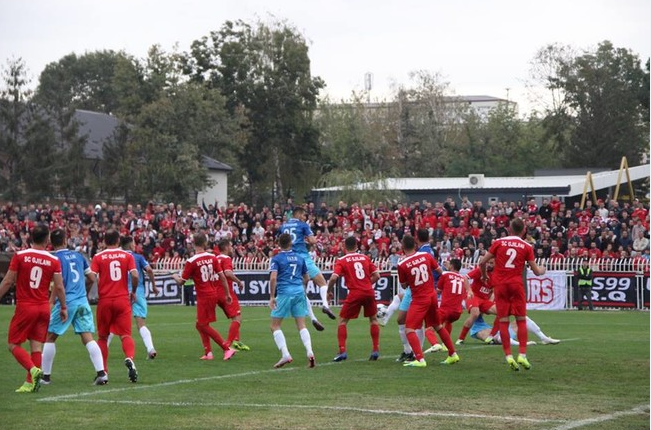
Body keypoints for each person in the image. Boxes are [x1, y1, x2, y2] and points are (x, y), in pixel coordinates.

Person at [0, 224, 67, 393]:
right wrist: (63, 306)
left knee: (13, 344)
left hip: (26, 307)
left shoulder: (20, 256)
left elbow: (8, 281)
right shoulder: (53, 260)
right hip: (43, 308)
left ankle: (33, 369)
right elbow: (59, 286)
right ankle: (31, 383)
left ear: (30, 237)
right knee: (36, 347)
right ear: (47, 240)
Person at [478, 218, 546, 371]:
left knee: (503, 320)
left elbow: (482, 262)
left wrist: (484, 276)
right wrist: (543, 269)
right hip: (516, 285)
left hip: (500, 285)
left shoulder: (499, 243)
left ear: (509, 229)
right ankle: (522, 354)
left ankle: (508, 356)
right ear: (523, 231)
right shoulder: (526, 246)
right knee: (521, 320)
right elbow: (536, 271)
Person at [41, 229, 107, 386]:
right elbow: (92, 278)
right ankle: (101, 374)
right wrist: (84, 290)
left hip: (67, 302)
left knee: (50, 337)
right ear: (65, 241)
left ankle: (45, 377)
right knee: (88, 337)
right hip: (82, 301)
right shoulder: (79, 256)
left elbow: (58, 285)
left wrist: (51, 302)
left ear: (52, 242)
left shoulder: (54, 258)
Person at [397, 235, 459, 368]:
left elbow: (403, 285)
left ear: (402, 247)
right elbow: (439, 271)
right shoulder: (426, 256)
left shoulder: (402, 264)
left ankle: (420, 359)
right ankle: (453, 354)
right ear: (415, 245)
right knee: (437, 326)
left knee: (409, 329)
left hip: (420, 298)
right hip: (432, 295)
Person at [172, 233, 237, 361]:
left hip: (204, 296)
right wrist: (227, 293)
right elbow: (222, 276)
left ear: (193, 244)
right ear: (205, 243)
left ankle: (226, 348)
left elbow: (181, 282)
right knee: (200, 324)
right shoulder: (213, 257)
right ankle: (208, 353)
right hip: (213, 293)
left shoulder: (191, 261)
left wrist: (174, 276)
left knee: (202, 325)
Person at [390, 229, 443, 361]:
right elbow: (438, 270)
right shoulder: (428, 251)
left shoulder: (422, 253)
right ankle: (409, 351)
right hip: (417, 290)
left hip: (418, 291)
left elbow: (432, 271)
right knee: (401, 319)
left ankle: (416, 353)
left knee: (415, 324)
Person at [327, 236, 381, 362]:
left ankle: (342, 351)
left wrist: (329, 290)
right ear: (357, 246)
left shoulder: (342, 260)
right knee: (373, 319)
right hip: (368, 291)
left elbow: (334, 278)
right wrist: (367, 284)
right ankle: (375, 349)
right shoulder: (365, 258)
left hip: (355, 293)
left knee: (342, 321)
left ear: (345, 247)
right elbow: (377, 275)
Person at [279, 206, 332, 331]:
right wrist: (315, 243)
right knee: (322, 283)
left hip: (289, 258)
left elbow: (280, 241)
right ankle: (325, 305)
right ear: (298, 214)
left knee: (301, 290)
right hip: (302, 257)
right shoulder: (303, 225)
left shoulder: (283, 226)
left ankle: (313, 318)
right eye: (304, 215)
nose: (305, 218)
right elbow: (313, 240)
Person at [269, 233, 316, 369]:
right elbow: (307, 278)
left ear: (279, 244)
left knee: (275, 326)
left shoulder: (277, 259)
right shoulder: (300, 258)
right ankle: (310, 352)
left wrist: (272, 296)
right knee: (302, 325)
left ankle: (285, 354)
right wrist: (302, 288)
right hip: (299, 292)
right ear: (291, 243)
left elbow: (273, 278)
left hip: (284, 293)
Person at [114, 236, 160, 359]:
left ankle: (102, 350)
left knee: (113, 323)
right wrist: (154, 286)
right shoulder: (138, 257)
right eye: (134, 243)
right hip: (137, 292)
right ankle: (150, 348)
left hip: (121, 293)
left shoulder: (118, 257)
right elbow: (149, 270)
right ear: (130, 246)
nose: (135, 245)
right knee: (140, 323)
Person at [216, 239, 250, 351]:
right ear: (225, 248)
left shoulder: (215, 259)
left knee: (234, 317)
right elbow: (228, 273)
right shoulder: (226, 258)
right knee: (238, 318)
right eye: (230, 246)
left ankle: (236, 341)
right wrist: (239, 281)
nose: (232, 248)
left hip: (216, 293)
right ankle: (228, 344)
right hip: (226, 293)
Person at [455, 260, 499, 345]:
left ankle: (491, 336)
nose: (488, 265)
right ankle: (460, 339)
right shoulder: (480, 270)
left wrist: (490, 302)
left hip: (484, 300)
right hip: (473, 296)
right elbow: (465, 278)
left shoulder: (497, 276)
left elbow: (493, 290)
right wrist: (469, 290)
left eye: (491, 263)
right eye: (488, 262)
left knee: (501, 312)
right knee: (475, 313)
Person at [469, 315, 560, 345]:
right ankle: (519, 344)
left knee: (524, 318)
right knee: (498, 336)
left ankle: (544, 338)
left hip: (502, 331)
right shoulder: (476, 331)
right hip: (501, 336)